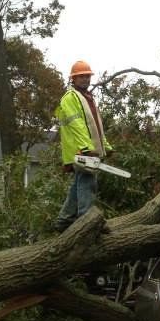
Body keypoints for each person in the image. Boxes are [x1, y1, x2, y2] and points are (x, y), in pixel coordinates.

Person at [53, 60, 113, 231]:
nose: (85, 79)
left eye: (87, 76)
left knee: (78, 184)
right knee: (88, 183)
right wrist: (87, 149)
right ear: (73, 79)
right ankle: (86, 221)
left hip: (87, 148)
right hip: (80, 149)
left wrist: (106, 147)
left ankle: (64, 220)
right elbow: (77, 125)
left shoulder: (87, 98)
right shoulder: (70, 98)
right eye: (81, 76)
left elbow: (96, 126)